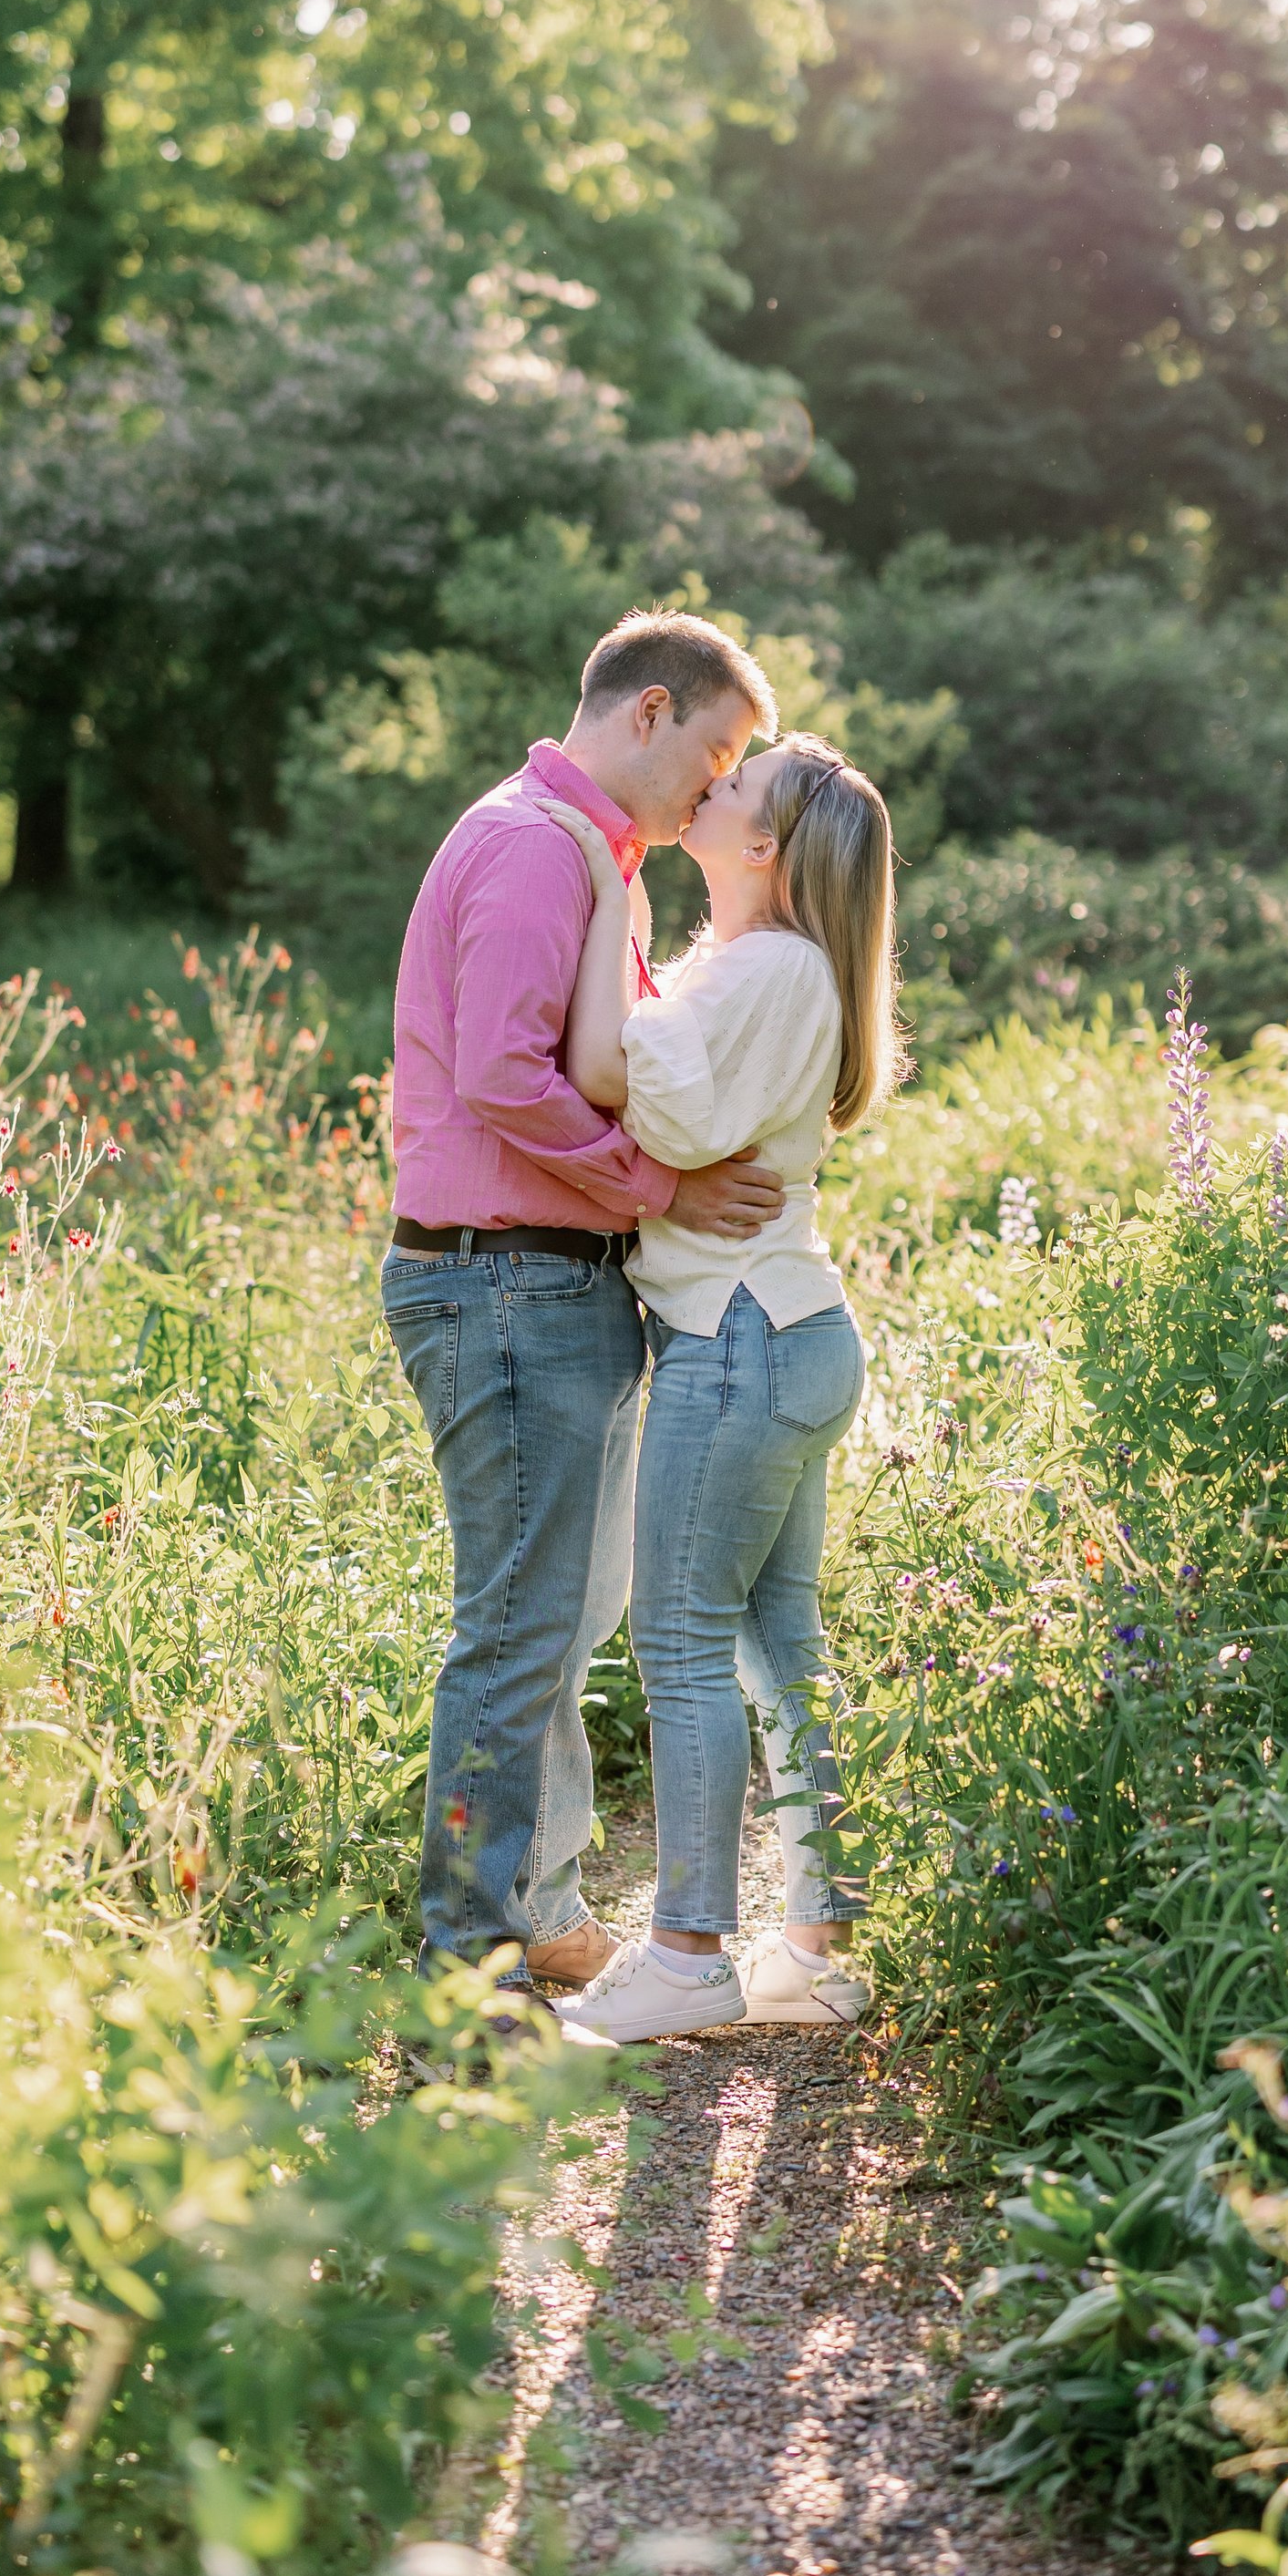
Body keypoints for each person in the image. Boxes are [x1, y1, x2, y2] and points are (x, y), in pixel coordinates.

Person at [383, 612, 788, 2008]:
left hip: (549, 1282)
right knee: (515, 1625)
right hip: (498, 1280)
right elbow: (501, 1074)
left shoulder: (591, 856)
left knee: (568, 1610)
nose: (717, 785)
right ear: (651, 712)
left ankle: (538, 1906)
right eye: (720, 751)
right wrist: (654, 1189)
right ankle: (470, 1966)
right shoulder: (529, 846)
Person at [531, 730, 901, 2044]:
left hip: (737, 1337)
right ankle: (821, 1941)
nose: (715, 776)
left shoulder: (767, 968)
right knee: (776, 1643)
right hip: (786, 1329)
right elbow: (664, 1085)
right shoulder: (764, 967)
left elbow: (641, 1098)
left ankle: (688, 1949)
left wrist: (602, 914)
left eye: (741, 780)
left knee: (681, 1639)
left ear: (767, 845)